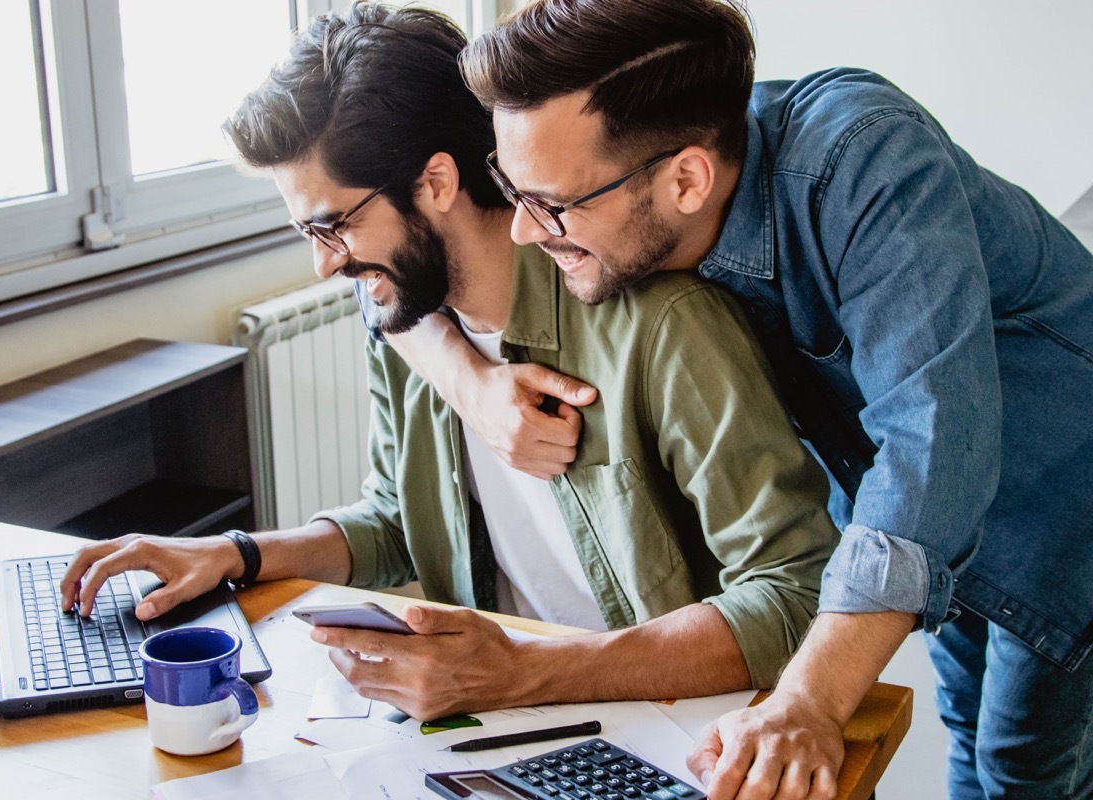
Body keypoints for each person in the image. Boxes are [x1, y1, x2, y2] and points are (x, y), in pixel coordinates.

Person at [375, 0, 1093, 797]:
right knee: (965, 722)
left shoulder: (865, 160)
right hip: (931, 525)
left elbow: (933, 447)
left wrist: (808, 700)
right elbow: (388, 281)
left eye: (552, 205)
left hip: (1062, 492)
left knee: (1022, 766)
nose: (522, 231)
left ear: (688, 180)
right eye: (513, 190)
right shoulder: (643, 184)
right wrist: (469, 380)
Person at [59, 3, 839, 724]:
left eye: (333, 226)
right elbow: (400, 520)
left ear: (435, 181)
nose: (325, 266)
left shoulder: (667, 328)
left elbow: (795, 592)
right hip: (498, 717)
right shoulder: (406, 326)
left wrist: (527, 671)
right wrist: (236, 555)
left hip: (656, 722)